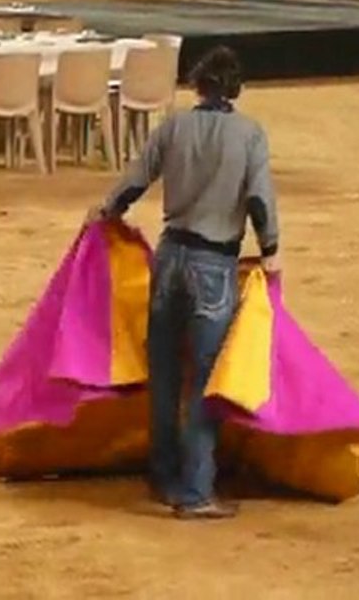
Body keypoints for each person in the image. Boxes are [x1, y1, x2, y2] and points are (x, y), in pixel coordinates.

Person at [84, 45, 281, 520]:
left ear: (198, 85)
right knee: (205, 382)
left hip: (170, 258)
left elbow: (135, 179)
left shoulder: (173, 126)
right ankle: (194, 492)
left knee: (166, 375)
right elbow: (258, 199)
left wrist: (107, 213)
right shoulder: (249, 134)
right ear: (234, 88)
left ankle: (164, 475)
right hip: (214, 263)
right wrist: (270, 249)